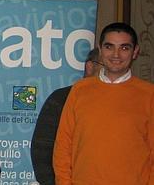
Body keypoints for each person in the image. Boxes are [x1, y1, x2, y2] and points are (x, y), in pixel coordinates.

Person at [53, 22, 154, 184]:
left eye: (124, 48)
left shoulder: (149, 95)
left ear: (135, 52)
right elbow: (63, 145)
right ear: (100, 49)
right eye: (109, 47)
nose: (116, 54)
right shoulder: (80, 90)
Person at [31, 48, 101, 185]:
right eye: (105, 66)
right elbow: (41, 149)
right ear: (90, 66)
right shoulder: (62, 99)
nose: (111, 74)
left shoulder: (126, 102)